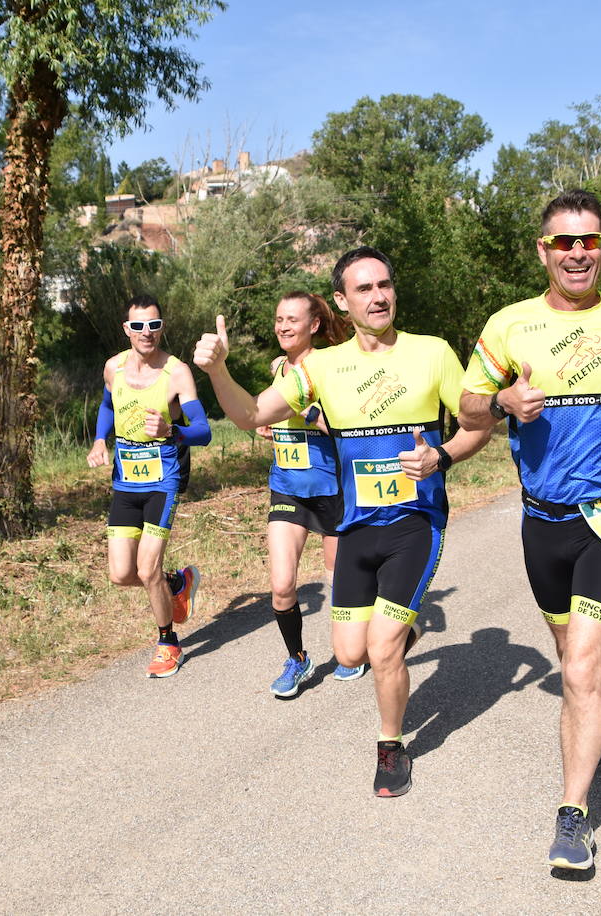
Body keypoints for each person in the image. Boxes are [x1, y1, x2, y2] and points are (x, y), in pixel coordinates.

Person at [194, 246, 491, 798]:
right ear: (342, 300)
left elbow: (478, 424)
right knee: (350, 652)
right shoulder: (322, 367)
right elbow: (251, 414)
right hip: (354, 528)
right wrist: (217, 371)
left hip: (414, 523)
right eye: (363, 289)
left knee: (379, 649)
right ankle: (403, 632)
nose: (378, 296)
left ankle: (391, 747)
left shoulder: (433, 353)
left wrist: (443, 456)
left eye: (385, 285)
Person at [457, 189, 601, 870]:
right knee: (572, 661)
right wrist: (500, 400)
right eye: (564, 242)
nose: (577, 252)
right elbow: (468, 410)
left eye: (588, 241)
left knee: (580, 668)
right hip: (542, 522)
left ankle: (572, 817)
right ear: (543, 251)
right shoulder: (508, 325)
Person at [87, 294, 210, 678]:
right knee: (121, 574)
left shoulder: (177, 373)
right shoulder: (114, 368)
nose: (146, 333)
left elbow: (204, 432)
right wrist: (98, 440)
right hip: (126, 480)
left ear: (162, 328)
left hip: (164, 480)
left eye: (154, 325)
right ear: (126, 329)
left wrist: (173, 430)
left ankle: (168, 643)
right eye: (138, 326)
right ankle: (178, 582)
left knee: (145, 569)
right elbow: (108, 406)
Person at [254, 290, 364, 697]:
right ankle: (297, 659)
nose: (283, 326)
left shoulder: (330, 367)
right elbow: (273, 418)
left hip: (332, 490)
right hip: (287, 488)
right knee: (282, 585)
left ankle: (357, 646)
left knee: (339, 585)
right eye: (279, 319)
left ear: (313, 325)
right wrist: (269, 426)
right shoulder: (278, 366)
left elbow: (344, 427)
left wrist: (306, 411)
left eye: (292, 320)